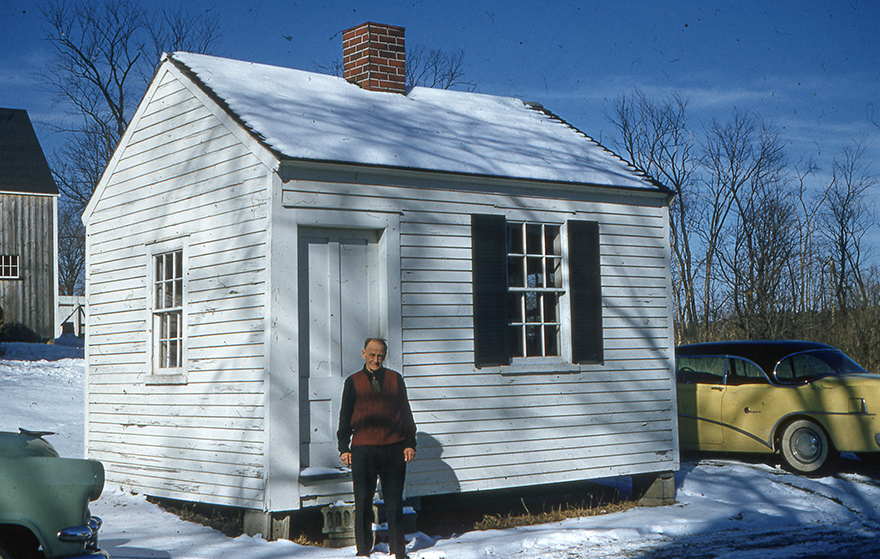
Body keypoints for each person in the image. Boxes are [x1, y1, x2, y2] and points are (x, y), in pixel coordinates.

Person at [337, 338, 417, 558]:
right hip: (363, 450)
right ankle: (363, 550)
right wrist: (344, 447)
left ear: (385, 355)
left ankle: (398, 550)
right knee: (363, 501)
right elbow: (345, 417)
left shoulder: (395, 379)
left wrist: (410, 443)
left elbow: (406, 414)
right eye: (372, 354)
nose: (376, 359)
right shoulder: (352, 382)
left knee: (394, 502)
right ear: (363, 353)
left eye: (380, 355)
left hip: (394, 448)